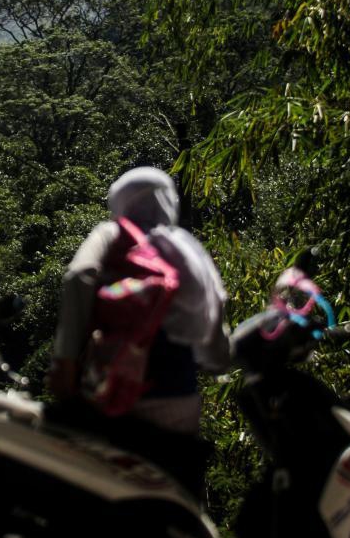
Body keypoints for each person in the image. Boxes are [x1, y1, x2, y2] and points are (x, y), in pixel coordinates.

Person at [48, 167, 229, 490]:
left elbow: (79, 276)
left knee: (100, 488)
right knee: (175, 490)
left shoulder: (112, 234)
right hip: (177, 394)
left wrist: (65, 360)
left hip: (111, 388)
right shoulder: (186, 249)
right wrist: (218, 361)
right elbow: (215, 311)